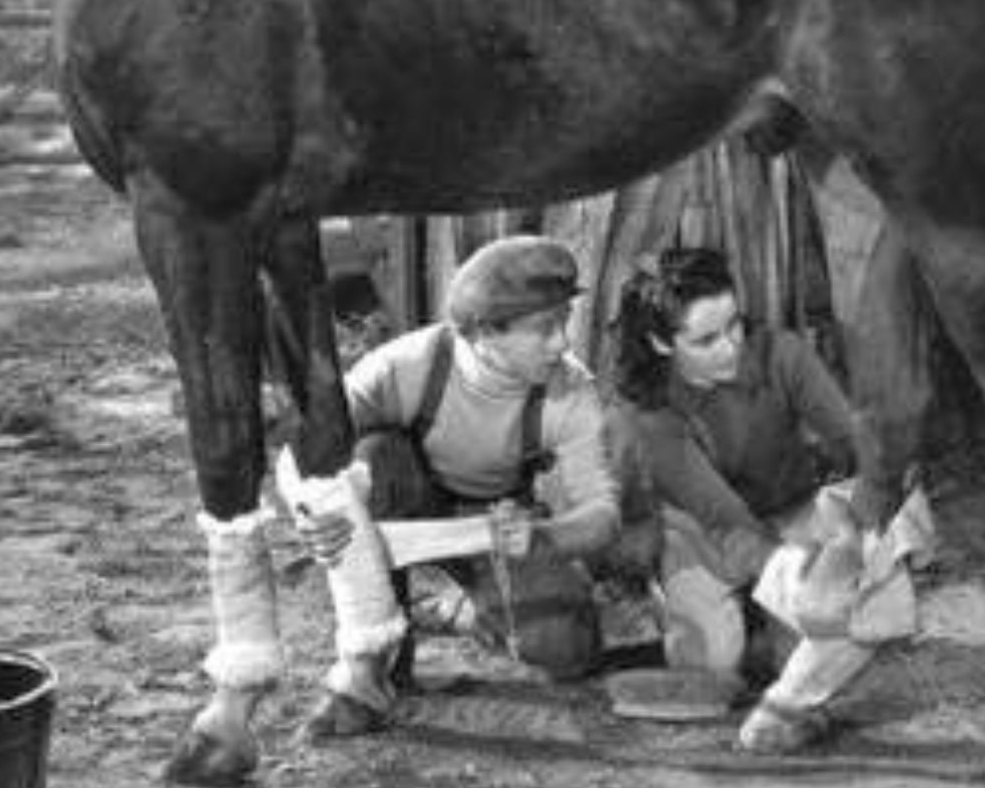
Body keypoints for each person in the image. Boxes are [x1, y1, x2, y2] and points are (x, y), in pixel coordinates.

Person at [607, 246, 933, 753]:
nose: (731, 347)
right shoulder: (648, 413)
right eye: (706, 340)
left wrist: (869, 517)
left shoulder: (782, 353)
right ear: (660, 343)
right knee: (712, 669)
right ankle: (684, 597)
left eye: (735, 325)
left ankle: (773, 631)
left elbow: (854, 445)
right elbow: (727, 520)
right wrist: (804, 585)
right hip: (708, 531)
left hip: (794, 509)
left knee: (825, 630)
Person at [294, 235, 621, 736]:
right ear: (484, 333)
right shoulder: (404, 367)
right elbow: (305, 449)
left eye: (564, 323)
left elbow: (603, 513)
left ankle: (465, 611)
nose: (564, 344)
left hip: (497, 522)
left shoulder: (570, 389)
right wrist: (311, 513)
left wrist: (544, 536)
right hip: (408, 503)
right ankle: (375, 658)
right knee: (374, 456)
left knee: (568, 652)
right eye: (544, 329)